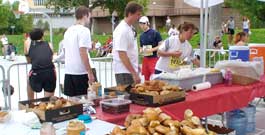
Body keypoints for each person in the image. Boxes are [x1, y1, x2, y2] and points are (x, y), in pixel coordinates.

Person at [63, 6, 95, 97]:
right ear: (85, 15)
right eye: (89, 17)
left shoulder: (68, 31)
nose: (89, 19)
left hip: (69, 71)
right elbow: (83, 52)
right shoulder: (84, 31)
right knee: (85, 102)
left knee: (73, 103)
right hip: (81, 72)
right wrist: (90, 72)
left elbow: (65, 51)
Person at [113, 2, 143, 85]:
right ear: (130, 14)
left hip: (128, 71)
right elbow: (122, 54)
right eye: (138, 14)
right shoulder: (122, 30)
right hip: (124, 72)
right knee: (126, 97)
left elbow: (131, 50)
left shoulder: (129, 28)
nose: (139, 17)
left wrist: (136, 66)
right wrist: (133, 73)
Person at [24, 28, 56, 100]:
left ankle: (30, 104)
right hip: (50, 72)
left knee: (29, 80)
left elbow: (28, 60)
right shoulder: (49, 44)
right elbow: (50, 58)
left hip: (37, 73)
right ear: (42, 36)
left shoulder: (27, 43)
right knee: (48, 100)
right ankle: (47, 108)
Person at [138, 16, 162, 80]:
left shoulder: (155, 33)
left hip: (154, 58)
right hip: (145, 58)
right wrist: (140, 50)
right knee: (146, 78)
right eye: (140, 24)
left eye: (143, 23)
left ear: (147, 23)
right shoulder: (141, 36)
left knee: (155, 77)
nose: (142, 25)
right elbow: (141, 46)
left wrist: (152, 49)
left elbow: (161, 45)